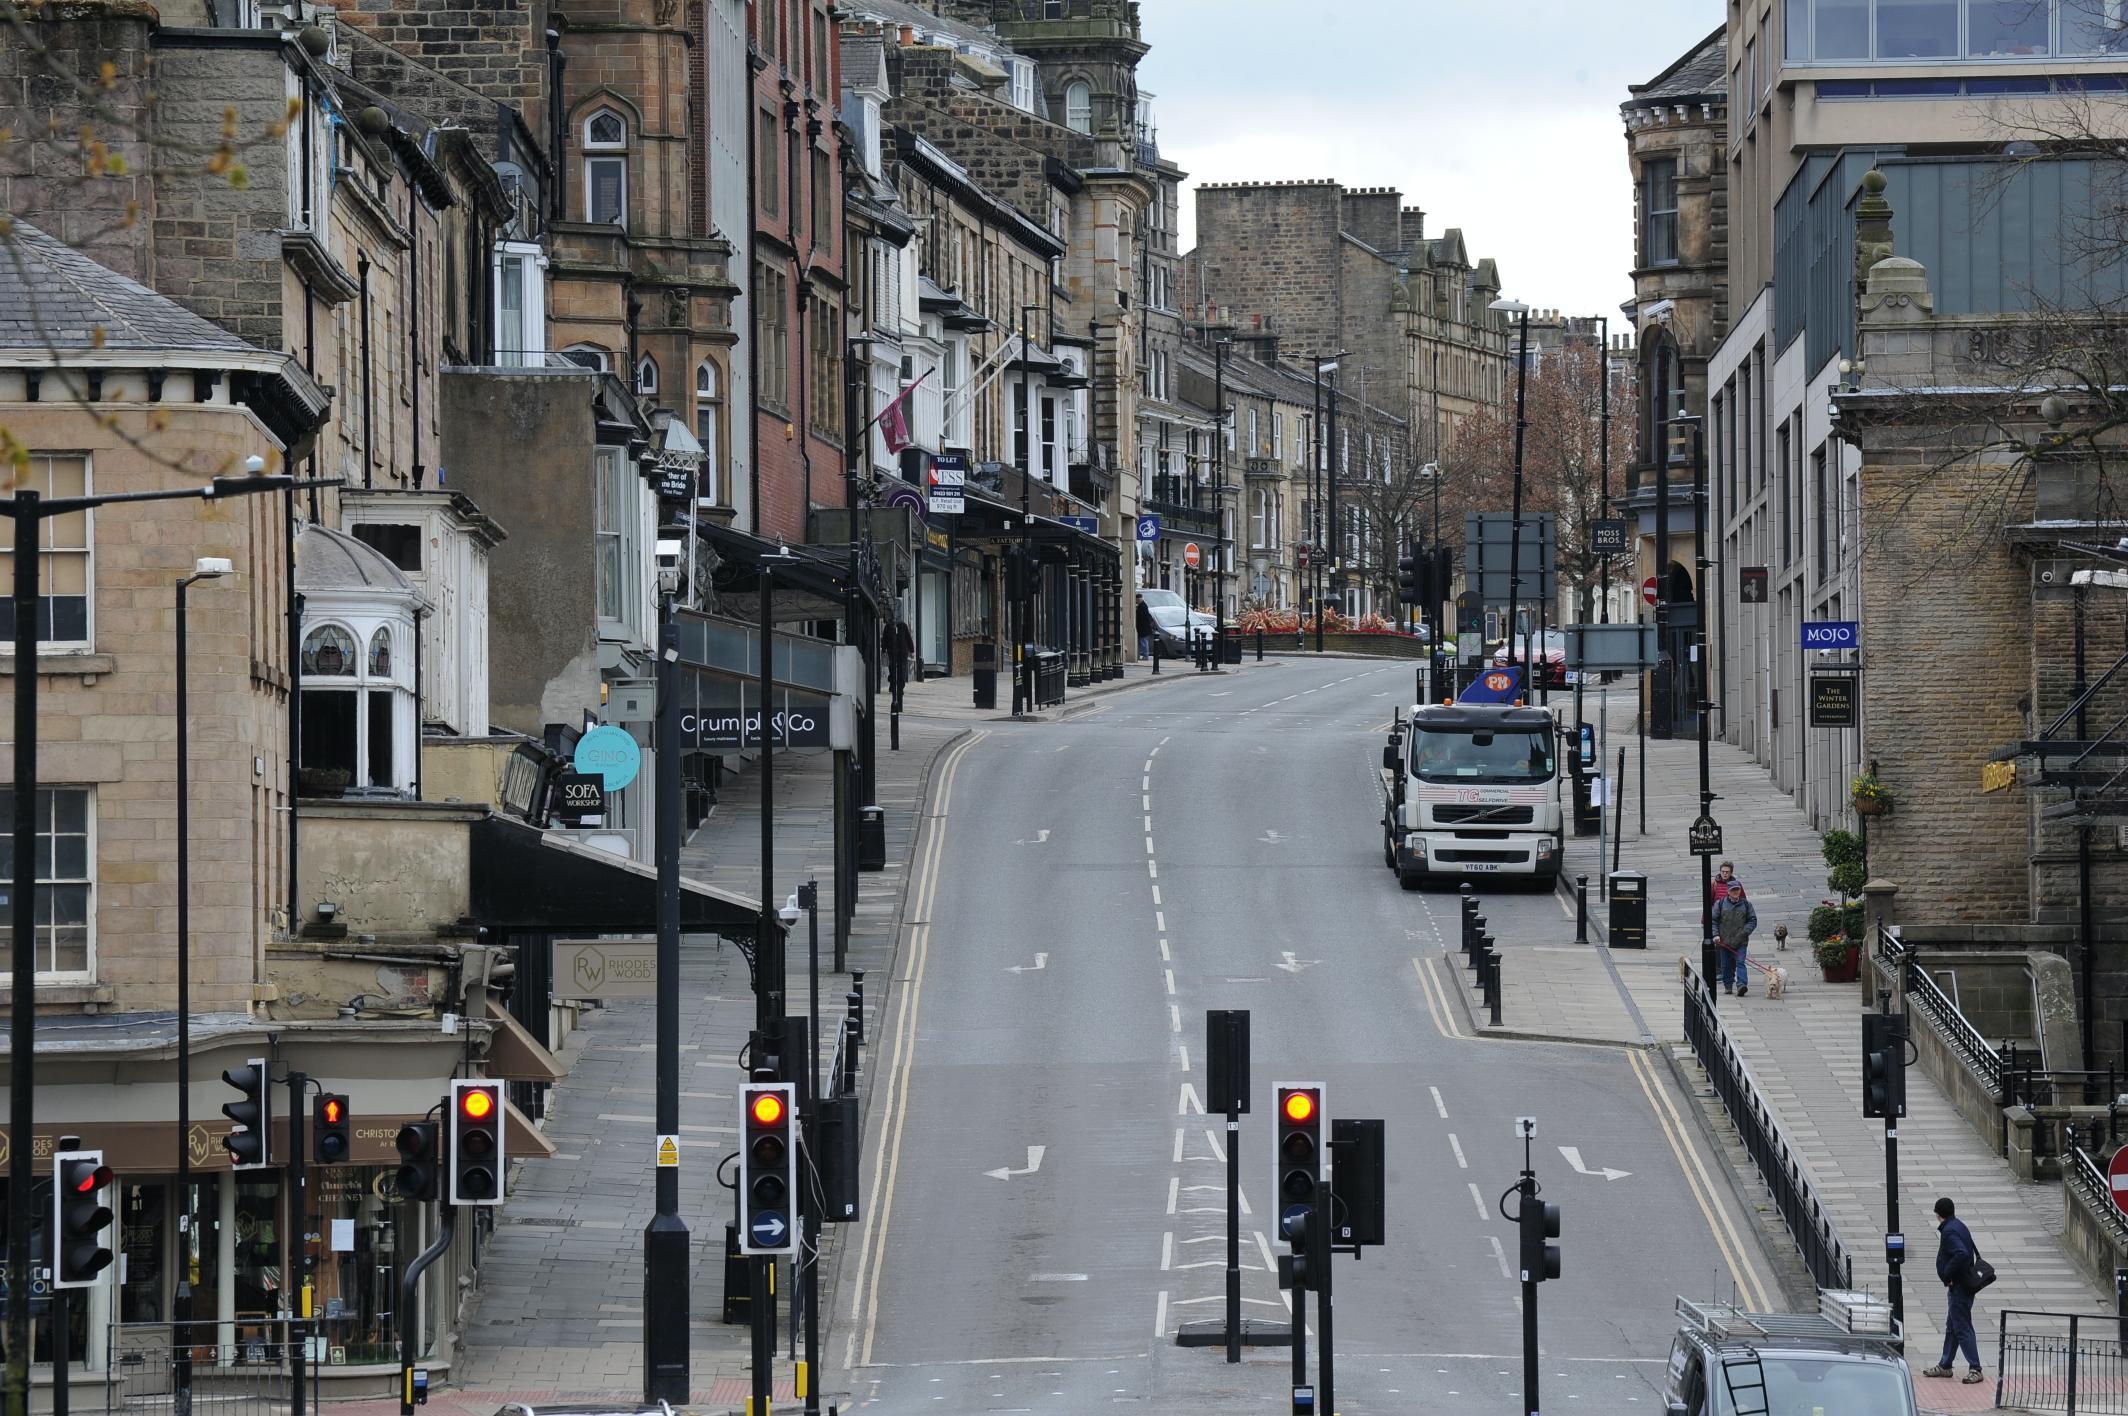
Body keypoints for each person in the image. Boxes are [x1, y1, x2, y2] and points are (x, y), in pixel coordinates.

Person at [1925, 1197, 1986, 1383]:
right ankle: (1945, 1365)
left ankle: (1975, 1368)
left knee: (1962, 1327)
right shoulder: (1958, 1225)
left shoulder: (1949, 1231)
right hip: (1963, 1284)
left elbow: (1961, 1253)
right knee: (1953, 1326)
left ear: (1938, 1215)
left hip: (1959, 1286)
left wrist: (1946, 1273)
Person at [1713, 881, 1758, 996]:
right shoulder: (1720, 904)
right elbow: (1714, 920)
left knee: (1740, 962)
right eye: (1733, 890)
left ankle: (1741, 985)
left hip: (1741, 941)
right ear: (1728, 891)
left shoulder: (1747, 905)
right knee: (1726, 965)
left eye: (1737, 889)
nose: (1735, 892)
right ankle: (1728, 985)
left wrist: (1744, 932)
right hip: (1724, 942)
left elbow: (1752, 920)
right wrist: (1716, 935)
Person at [1136, 595, 1156, 659]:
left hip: (1143, 628)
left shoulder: (1142, 606)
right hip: (1144, 628)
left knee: (1143, 642)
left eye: (1136, 600)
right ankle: (1143, 655)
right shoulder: (1143, 605)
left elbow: (1141, 618)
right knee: (1143, 642)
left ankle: (1145, 655)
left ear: (1138, 599)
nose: (1136, 601)